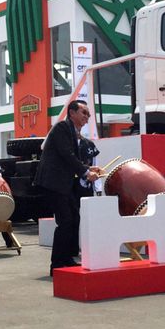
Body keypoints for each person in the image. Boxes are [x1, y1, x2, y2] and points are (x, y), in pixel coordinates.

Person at [33, 100, 102, 276]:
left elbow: (74, 159)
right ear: (71, 113)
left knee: (73, 218)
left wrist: (89, 168)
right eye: (84, 112)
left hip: (64, 184)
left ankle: (66, 258)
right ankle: (56, 264)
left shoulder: (73, 131)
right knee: (65, 221)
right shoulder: (62, 128)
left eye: (88, 114)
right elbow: (66, 155)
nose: (87, 117)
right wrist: (86, 173)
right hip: (54, 183)